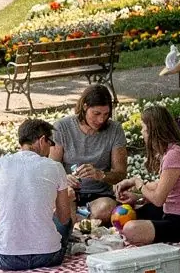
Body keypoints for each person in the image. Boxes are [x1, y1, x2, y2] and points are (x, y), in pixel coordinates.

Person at [0, 118, 72, 271]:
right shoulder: (56, 167)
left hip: (8, 258)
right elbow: (64, 218)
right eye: (50, 143)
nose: (51, 149)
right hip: (49, 256)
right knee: (65, 222)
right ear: (42, 140)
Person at [116, 105, 180, 245]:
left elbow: (158, 199)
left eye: (143, 128)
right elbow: (162, 187)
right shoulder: (171, 151)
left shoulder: (174, 155)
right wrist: (138, 197)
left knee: (131, 228)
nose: (141, 132)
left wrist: (137, 182)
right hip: (171, 210)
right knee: (133, 212)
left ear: (152, 130)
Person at [50, 84, 128, 222]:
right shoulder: (62, 127)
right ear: (85, 107)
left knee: (106, 208)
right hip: (68, 192)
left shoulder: (114, 129)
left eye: (106, 114)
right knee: (63, 204)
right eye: (96, 113)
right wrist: (64, 178)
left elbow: (120, 173)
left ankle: (78, 220)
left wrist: (100, 175)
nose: (101, 120)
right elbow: (51, 167)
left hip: (99, 195)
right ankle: (81, 219)